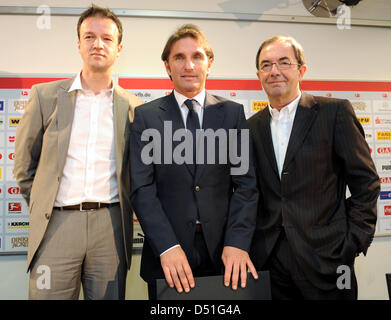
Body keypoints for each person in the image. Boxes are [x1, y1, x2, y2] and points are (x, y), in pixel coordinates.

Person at [13, 5, 143, 299]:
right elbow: (23, 168)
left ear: (118, 48)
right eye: (90, 37)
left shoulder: (135, 108)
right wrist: (46, 203)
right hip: (55, 226)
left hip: (110, 227)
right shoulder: (45, 96)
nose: (98, 44)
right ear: (79, 44)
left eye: (107, 38)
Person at [129, 24, 259, 299]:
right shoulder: (146, 117)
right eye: (179, 57)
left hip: (224, 256)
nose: (189, 65)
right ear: (167, 66)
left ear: (209, 64)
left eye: (197, 56)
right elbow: (142, 189)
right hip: (167, 257)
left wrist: (237, 242)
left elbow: (246, 186)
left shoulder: (233, 114)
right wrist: (166, 246)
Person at [248, 35, 380, 299]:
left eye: (284, 63)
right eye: (266, 65)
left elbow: (366, 184)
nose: (274, 71)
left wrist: (350, 243)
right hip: (271, 266)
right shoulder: (251, 126)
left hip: (329, 262)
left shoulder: (334, 113)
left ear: (301, 70)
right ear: (259, 74)